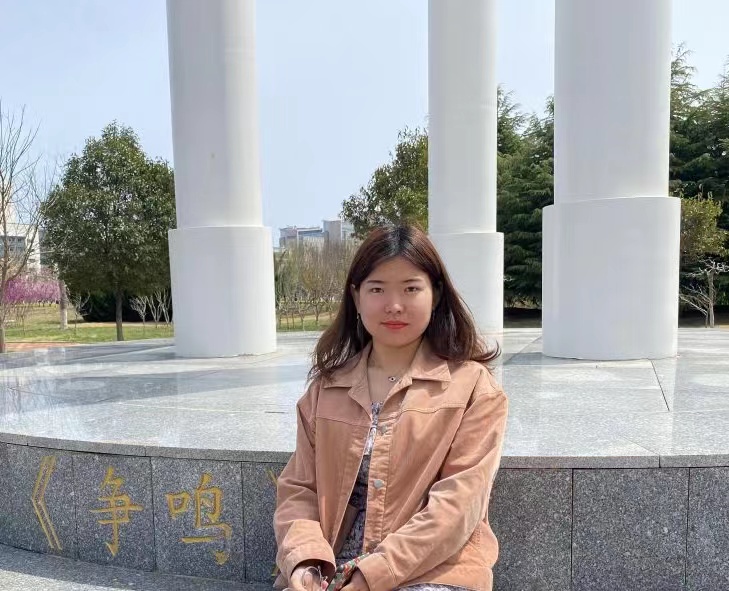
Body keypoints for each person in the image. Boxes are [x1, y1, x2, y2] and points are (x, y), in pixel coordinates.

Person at [274, 225, 508, 591]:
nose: (394, 305)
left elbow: (459, 502)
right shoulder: (327, 389)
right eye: (377, 289)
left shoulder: (473, 388)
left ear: (436, 294)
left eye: (411, 289)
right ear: (356, 296)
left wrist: (372, 576)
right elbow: (299, 488)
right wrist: (304, 561)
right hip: (332, 567)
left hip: (435, 571)